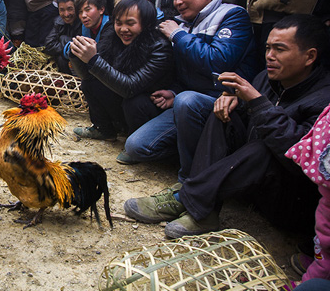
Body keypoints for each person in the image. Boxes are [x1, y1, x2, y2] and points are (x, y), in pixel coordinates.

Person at [124, 15, 330, 239]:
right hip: (249, 184)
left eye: (280, 49)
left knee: (264, 149)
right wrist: (233, 99)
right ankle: (205, 211)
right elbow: (247, 119)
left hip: (290, 203)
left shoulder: (323, 99)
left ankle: (186, 196)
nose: (270, 56)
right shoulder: (268, 78)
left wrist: (257, 102)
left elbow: (298, 157)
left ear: (309, 56)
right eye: (268, 48)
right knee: (221, 113)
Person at [119, 0, 257, 178]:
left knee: (187, 100)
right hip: (185, 103)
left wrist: (178, 36)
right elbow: (185, 74)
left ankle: (190, 180)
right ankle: (198, 156)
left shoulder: (232, 16)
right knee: (135, 147)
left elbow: (217, 62)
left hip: (225, 103)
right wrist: (173, 93)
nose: (177, 2)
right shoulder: (183, 23)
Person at [72, 0, 173, 139]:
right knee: (90, 83)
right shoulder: (113, 40)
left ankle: (136, 141)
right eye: (118, 23)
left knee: (135, 102)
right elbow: (89, 75)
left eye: (130, 23)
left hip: (150, 106)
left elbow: (130, 87)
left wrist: (93, 59)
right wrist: (76, 56)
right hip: (124, 99)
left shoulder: (159, 47)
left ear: (145, 24)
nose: (123, 29)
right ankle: (104, 129)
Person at [287, 102, 330, 282]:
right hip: (326, 189)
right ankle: (319, 262)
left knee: (326, 239)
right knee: (322, 231)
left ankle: (315, 278)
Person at [44, 0, 81, 74]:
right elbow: (49, 44)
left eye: (70, 9)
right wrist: (67, 47)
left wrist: (63, 40)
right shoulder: (59, 22)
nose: (66, 14)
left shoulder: (83, 23)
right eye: (62, 10)